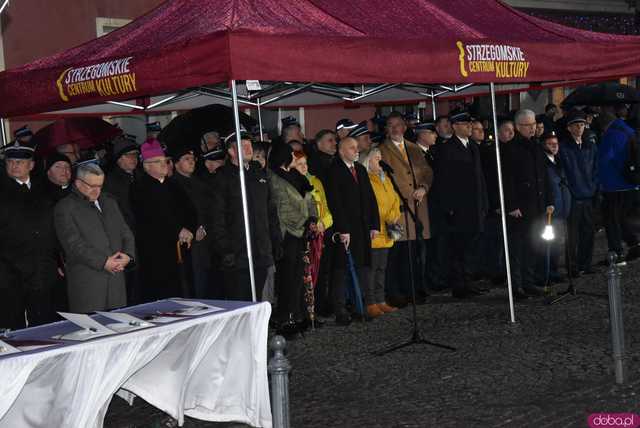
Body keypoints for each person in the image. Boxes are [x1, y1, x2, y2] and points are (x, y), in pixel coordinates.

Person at [210, 132, 282, 301]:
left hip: (261, 250)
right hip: (238, 252)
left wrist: (276, 239)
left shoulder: (259, 173)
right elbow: (217, 217)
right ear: (231, 151)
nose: (249, 149)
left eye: (250, 145)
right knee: (239, 301)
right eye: (243, 145)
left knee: (256, 298)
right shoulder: (223, 177)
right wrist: (225, 249)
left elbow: (270, 210)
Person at [54, 163, 135, 313]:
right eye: (92, 186)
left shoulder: (110, 202)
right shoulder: (65, 207)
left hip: (116, 279)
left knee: (118, 329)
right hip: (88, 283)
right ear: (78, 183)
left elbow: (126, 232)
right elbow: (74, 245)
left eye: (100, 186)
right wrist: (104, 262)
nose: (97, 191)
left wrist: (128, 256)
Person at [0, 141, 59, 328]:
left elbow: (53, 227)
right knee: (13, 325)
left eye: (20, 161)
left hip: (42, 268)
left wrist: (57, 260)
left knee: (44, 323)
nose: (15, 165)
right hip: (10, 270)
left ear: (31, 165)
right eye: (10, 161)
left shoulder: (45, 189)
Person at [430, 110, 488, 299]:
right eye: (465, 124)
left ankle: (469, 281)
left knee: (471, 249)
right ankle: (459, 285)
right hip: (459, 209)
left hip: (475, 206)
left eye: (470, 124)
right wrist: (449, 208)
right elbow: (444, 182)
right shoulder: (447, 149)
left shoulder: (472, 146)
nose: (470, 127)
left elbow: (480, 178)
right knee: (459, 249)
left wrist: (484, 202)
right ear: (455, 126)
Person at [131, 138, 197, 302]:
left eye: (165, 161)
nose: (164, 165)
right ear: (147, 166)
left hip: (181, 247)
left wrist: (190, 228)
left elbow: (190, 209)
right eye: (158, 162)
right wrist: (177, 230)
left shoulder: (174, 184)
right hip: (156, 251)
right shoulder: (139, 187)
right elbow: (153, 216)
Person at [379, 112, 433, 306]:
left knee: (415, 253)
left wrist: (423, 187)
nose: (395, 129)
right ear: (386, 129)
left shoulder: (414, 149)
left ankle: (414, 290)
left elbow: (427, 171)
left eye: (398, 125)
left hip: (417, 209)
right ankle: (395, 293)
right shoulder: (382, 150)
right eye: (390, 125)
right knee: (397, 255)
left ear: (405, 127)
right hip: (396, 211)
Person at [324, 137, 379, 325]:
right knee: (341, 270)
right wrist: (343, 229)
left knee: (362, 267)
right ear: (341, 151)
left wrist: (374, 224)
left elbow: (370, 199)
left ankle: (360, 307)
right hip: (345, 229)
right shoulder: (334, 171)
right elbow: (335, 203)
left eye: (357, 147)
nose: (356, 150)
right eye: (352, 148)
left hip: (362, 228)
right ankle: (340, 309)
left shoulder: (360, 170)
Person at [502, 109, 554, 298]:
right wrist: (512, 205)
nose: (532, 128)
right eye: (528, 125)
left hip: (537, 205)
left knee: (532, 245)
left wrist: (549, 200)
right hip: (520, 207)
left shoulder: (537, 147)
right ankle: (516, 286)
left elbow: (544, 176)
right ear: (517, 127)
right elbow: (506, 181)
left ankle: (529, 281)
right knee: (517, 247)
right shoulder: (509, 149)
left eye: (533, 124)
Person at [270, 144, 317, 330]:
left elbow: (309, 198)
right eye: (290, 154)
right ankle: (285, 316)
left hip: (301, 234)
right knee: (287, 277)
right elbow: (283, 210)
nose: (293, 156)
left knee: (298, 276)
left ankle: (297, 313)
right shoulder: (275, 179)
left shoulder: (297, 176)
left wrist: (312, 218)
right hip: (288, 234)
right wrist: (304, 223)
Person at [292, 151, 333, 322]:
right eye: (299, 163)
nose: (304, 167)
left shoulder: (316, 181)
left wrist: (323, 223)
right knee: (303, 278)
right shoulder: (290, 184)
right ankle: (303, 314)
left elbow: (326, 208)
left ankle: (314, 312)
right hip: (302, 237)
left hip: (319, 236)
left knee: (317, 276)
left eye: (305, 163)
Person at [171, 147, 215, 298]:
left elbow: (210, 209)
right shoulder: (173, 185)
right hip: (188, 243)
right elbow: (176, 214)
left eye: (192, 159)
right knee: (194, 285)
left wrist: (205, 228)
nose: (191, 162)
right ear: (176, 164)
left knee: (209, 284)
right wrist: (193, 228)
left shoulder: (201, 183)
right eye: (186, 159)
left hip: (205, 240)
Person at [559, 110, 598, 276]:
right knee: (573, 235)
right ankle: (573, 266)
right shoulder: (564, 148)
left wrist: (595, 188)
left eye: (582, 124)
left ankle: (586, 263)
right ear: (569, 128)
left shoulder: (590, 146)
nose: (580, 128)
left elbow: (596, 169)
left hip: (589, 195)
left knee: (588, 232)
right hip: (574, 196)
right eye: (576, 125)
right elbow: (565, 172)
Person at [362, 148, 401, 317]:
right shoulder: (366, 179)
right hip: (374, 229)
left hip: (388, 229)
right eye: (376, 158)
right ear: (367, 161)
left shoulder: (386, 178)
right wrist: (383, 217)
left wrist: (393, 216)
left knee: (381, 268)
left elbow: (395, 199)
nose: (380, 160)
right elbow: (370, 204)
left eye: (380, 157)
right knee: (371, 268)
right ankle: (370, 302)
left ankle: (381, 300)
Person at [597, 110, 640, 262]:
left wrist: (599, 180)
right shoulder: (629, 131)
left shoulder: (611, 135)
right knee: (624, 218)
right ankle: (635, 244)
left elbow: (605, 160)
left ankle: (616, 254)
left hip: (614, 185)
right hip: (631, 183)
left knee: (612, 221)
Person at [542, 131, 572, 282]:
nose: (554, 147)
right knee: (548, 244)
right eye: (550, 144)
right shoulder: (543, 163)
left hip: (562, 209)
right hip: (551, 210)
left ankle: (553, 270)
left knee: (558, 243)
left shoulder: (559, 161)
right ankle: (547, 273)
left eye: (556, 144)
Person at [103, 135, 139, 233]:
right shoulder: (110, 181)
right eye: (128, 155)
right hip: (126, 230)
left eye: (135, 154)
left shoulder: (141, 175)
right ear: (119, 159)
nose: (133, 158)